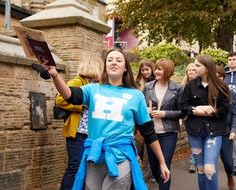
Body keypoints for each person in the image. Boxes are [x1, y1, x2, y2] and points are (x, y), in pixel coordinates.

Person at [42, 48, 170, 190]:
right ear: (105, 67)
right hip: (94, 157)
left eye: (118, 60)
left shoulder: (136, 95)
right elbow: (70, 95)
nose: (113, 62)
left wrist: (162, 162)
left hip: (121, 157)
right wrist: (54, 75)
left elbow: (149, 133)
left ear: (125, 68)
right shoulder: (92, 89)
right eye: (110, 60)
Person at [181, 55, 230, 190]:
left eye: (198, 66)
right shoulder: (191, 85)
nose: (194, 68)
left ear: (207, 68)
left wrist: (210, 112)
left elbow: (225, 109)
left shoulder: (221, 86)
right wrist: (196, 110)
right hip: (195, 132)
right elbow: (183, 106)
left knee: (209, 168)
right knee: (200, 169)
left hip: (214, 132)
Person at [57, 54, 104, 190]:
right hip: (78, 134)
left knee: (89, 169)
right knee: (75, 167)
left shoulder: (99, 86)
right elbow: (59, 99)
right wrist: (81, 105)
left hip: (93, 134)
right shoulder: (78, 82)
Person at [143, 58, 183, 190]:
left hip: (168, 133)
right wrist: (146, 110)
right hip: (151, 133)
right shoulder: (148, 87)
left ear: (168, 71)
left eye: (160, 69)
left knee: (164, 165)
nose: (156, 71)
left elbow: (183, 112)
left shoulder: (177, 89)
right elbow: (140, 107)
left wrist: (164, 114)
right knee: (154, 166)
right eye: (156, 68)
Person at [216, 66, 236, 190]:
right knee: (210, 163)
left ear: (224, 78)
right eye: (215, 76)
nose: (218, 79)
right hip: (212, 132)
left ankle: (229, 176)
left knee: (228, 162)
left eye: (220, 76)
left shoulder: (229, 93)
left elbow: (235, 114)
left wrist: (234, 130)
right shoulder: (207, 92)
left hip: (226, 132)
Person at [180, 63, 198, 173]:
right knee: (192, 139)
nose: (191, 72)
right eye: (189, 70)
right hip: (187, 117)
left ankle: (193, 161)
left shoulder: (200, 85)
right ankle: (195, 157)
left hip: (198, 116)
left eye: (194, 70)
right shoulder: (181, 87)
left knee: (196, 137)